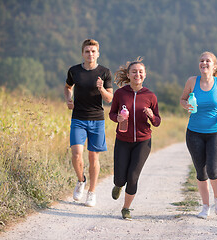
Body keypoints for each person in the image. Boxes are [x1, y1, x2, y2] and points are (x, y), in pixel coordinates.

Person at [180, 51, 217, 219]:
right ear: (199, 64)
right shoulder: (191, 81)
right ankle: (205, 207)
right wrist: (186, 105)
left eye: (208, 61)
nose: (204, 63)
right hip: (194, 133)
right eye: (201, 60)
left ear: (214, 65)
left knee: (213, 169)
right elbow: (182, 99)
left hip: (215, 133)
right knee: (200, 172)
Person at [109, 57, 161, 220]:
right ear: (129, 75)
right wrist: (117, 118)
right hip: (122, 140)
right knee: (120, 177)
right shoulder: (120, 93)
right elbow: (111, 113)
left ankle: (126, 208)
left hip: (143, 141)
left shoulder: (150, 96)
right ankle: (118, 184)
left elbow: (158, 121)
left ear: (144, 75)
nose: (137, 74)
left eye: (140, 72)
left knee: (133, 176)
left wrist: (152, 116)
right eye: (134, 72)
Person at [64, 39, 113, 207]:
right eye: (87, 51)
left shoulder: (105, 72)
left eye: (93, 51)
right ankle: (81, 180)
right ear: (82, 53)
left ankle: (92, 192)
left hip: (97, 119)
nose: (90, 54)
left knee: (93, 157)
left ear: (98, 53)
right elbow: (67, 87)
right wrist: (69, 100)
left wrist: (101, 89)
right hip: (78, 118)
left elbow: (109, 99)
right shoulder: (74, 71)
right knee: (76, 154)